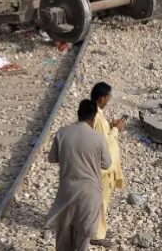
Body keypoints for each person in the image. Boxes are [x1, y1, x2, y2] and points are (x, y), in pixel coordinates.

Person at [46, 100, 112, 251]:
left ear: (78, 114)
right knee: (82, 240)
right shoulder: (98, 138)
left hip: (67, 192)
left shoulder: (62, 133)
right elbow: (107, 164)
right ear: (94, 118)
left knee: (63, 239)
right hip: (90, 194)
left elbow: (52, 158)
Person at [90, 82, 126, 247]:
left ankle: (100, 229)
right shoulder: (96, 117)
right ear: (102, 98)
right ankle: (97, 235)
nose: (109, 100)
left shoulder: (96, 114)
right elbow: (103, 142)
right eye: (108, 97)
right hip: (102, 169)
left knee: (102, 200)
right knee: (100, 201)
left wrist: (110, 127)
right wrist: (116, 129)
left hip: (102, 167)